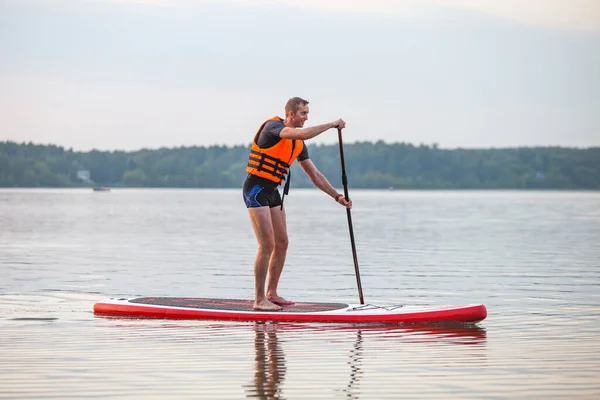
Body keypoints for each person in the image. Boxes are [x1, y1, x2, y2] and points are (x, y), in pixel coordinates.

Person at [242, 97, 352, 311]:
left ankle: (271, 293)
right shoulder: (273, 127)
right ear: (290, 114)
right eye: (303, 113)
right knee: (266, 245)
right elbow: (301, 133)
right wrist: (331, 125)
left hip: (273, 192)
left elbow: (315, 175)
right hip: (255, 189)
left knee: (282, 243)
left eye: (308, 113)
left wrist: (337, 197)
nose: (306, 117)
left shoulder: (298, 145)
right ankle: (258, 300)